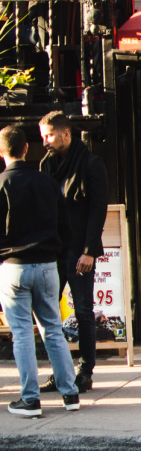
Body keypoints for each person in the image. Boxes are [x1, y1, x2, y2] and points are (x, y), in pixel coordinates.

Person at [0, 126, 78, 417]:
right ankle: (70, 393)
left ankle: (30, 399)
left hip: (14, 267)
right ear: (26, 150)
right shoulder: (47, 183)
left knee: (21, 334)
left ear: (2, 153)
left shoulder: (1, 184)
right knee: (53, 330)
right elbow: (65, 226)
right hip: (47, 265)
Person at [36, 111, 106, 393]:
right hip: (54, 250)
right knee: (49, 313)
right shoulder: (46, 165)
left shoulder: (91, 164)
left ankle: (85, 371)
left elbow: (97, 210)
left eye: (49, 135)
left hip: (79, 250)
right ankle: (60, 372)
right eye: (42, 137)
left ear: (66, 133)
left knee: (83, 311)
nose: (45, 143)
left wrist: (89, 251)